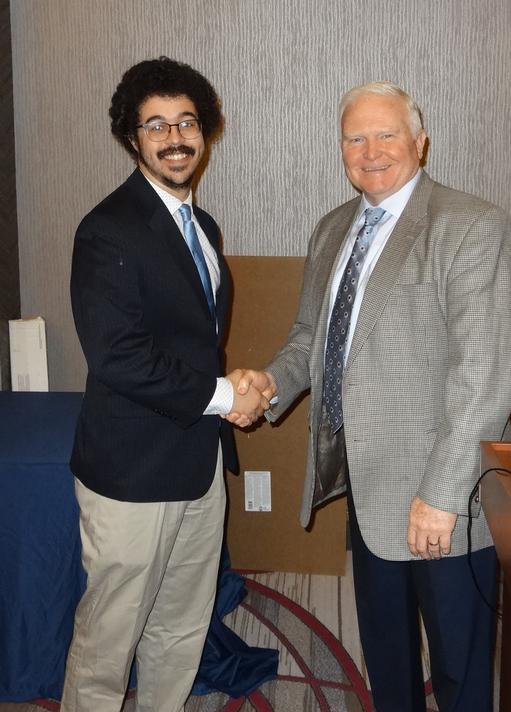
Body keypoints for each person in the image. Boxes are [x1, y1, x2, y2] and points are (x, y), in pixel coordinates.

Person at [232, 82, 511, 711]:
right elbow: (314, 336)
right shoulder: (335, 227)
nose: (370, 150)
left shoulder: (470, 226)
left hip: (440, 500)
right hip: (366, 487)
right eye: (355, 137)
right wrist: (272, 382)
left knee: (459, 669)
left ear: (420, 141)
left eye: (386, 134)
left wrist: (442, 497)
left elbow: (487, 377)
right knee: (388, 657)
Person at [62, 57, 268, 712]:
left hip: (198, 464)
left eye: (187, 121)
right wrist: (225, 396)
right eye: (157, 125)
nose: (175, 137)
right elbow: (118, 357)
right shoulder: (106, 230)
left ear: (205, 130)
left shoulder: (202, 227)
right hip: (131, 475)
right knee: (108, 639)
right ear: (132, 137)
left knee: (181, 622)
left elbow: (193, 343)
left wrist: (230, 387)